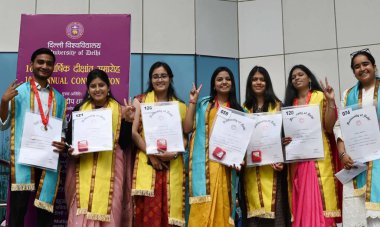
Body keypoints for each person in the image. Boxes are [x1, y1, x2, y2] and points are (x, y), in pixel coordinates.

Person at [0, 48, 67, 227]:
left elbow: (61, 128)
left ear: (53, 67)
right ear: (32, 65)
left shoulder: (59, 99)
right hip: (24, 160)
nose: (44, 66)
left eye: (48, 63)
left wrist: (62, 142)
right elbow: (3, 124)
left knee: (45, 213)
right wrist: (4, 102)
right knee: (17, 210)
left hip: (48, 159)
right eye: (40, 62)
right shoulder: (18, 92)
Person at [64, 69, 135, 226]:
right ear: (88, 89)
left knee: (112, 209)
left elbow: (124, 143)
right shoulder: (80, 110)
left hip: (112, 170)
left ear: (108, 87)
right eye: (93, 86)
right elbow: (70, 140)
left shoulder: (120, 110)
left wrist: (128, 121)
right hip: (83, 169)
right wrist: (71, 150)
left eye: (101, 85)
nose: (97, 89)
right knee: (80, 209)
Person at [184, 66, 244, 227]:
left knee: (223, 213)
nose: (224, 82)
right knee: (201, 212)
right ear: (214, 84)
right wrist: (192, 101)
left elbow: (242, 145)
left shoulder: (239, 111)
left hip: (225, 169)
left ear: (232, 83)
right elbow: (187, 128)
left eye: (227, 79)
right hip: (203, 168)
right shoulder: (203, 104)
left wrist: (239, 161)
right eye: (219, 79)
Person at [283, 65, 341, 226]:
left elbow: (329, 127)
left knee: (322, 203)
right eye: (293, 77)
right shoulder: (289, 104)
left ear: (309, 78)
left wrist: (330, 101)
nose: (296, 78)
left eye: (300, 74)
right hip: (298, 162)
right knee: (302, 199)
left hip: (320, 158)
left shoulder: (320, 96)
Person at [132, 62, 187, 227]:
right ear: (150, 80)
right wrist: (152, 154)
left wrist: (175, 153)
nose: (159, 79)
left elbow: (185, 137)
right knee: (148, 214)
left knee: (169, 213)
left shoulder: (180, 106)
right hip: (148, 164)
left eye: (163, 76)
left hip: (172, 165)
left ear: (170, 78)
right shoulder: (139, 101)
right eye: (155, 76)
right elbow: (134, 133)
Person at [334, 49, 380, 226]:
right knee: (360, 216)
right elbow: (340, 126)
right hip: (357, 163)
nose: (362, 68)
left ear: (374, 66)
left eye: (365, 64)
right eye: (357, 66)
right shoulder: (348, 95)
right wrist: (343, 155)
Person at [242, 66, 290, 227]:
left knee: (277, 216)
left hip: (274, 171)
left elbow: (286, 139)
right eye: (255, 79)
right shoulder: (243, 109)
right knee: (253, 218)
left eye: (262, 79)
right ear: (249, 83)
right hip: (251, 171)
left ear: (267, 82)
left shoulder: (279, 106)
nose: (258, 82)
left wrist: (282, 160)